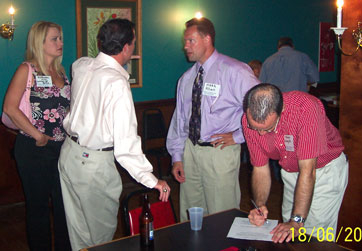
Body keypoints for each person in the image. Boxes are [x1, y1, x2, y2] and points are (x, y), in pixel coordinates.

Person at [58, 18, 170, 250]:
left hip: (68, 154)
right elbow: (126, 145)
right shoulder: (117, 83)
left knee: (79, 234)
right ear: (127, 46)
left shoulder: (80, 65)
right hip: (93, 165)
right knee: (100, 238)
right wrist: (153, 180)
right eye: (134, 42)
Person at [167, 17, 259, 221]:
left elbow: (262, 108)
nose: (185, 47)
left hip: (219, 152)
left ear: (207, 39)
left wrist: (238, 136)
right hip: (190, 152)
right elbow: (180, 121)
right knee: (191, 215)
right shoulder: (186, 78)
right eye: (185, 42)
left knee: (221, 214)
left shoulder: (235, 71)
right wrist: (177, 157)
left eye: (191, 41)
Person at [243, 83, 348, 243]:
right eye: (255, 128)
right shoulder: (248, 120)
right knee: (288, 231)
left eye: (267, 128)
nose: (261, 134)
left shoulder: (306, 109)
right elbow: (260, 167)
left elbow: (308, 171)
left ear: (281, 111)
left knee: (314, 235)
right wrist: (260, 206)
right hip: (291, 171)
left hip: (323, 171)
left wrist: (297, 221)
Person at [3, 21, 71, 250]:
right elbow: (9, 108)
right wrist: (38, 136)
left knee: (64, 206)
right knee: (39, 207)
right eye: (55, 39)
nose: (61, 43)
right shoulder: (27, 70)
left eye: (61, 38)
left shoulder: (61, 71)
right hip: (34, 148)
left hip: (62, 149)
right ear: (39, 42)